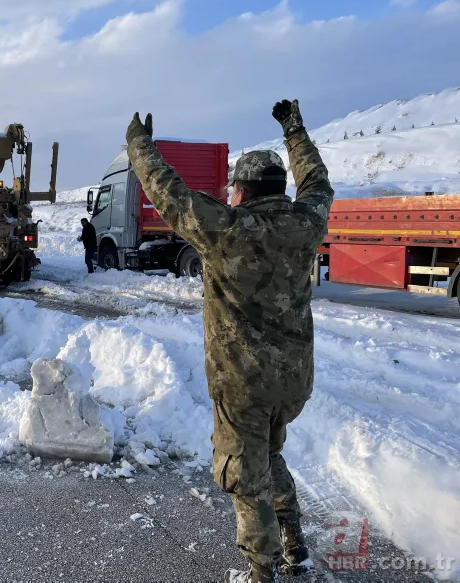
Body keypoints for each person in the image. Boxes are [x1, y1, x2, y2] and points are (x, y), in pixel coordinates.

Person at [125, 100, 333, 583]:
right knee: (270, 454)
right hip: (293, 383)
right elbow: (318, 183)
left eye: (233, 189)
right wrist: (294, 131)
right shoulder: (306, 225)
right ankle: (294, 543)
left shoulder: (229, 230)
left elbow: (169, 194)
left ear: (242, 192)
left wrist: (139, 145)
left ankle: (263, 571)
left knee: (244, 476)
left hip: (244, 387)